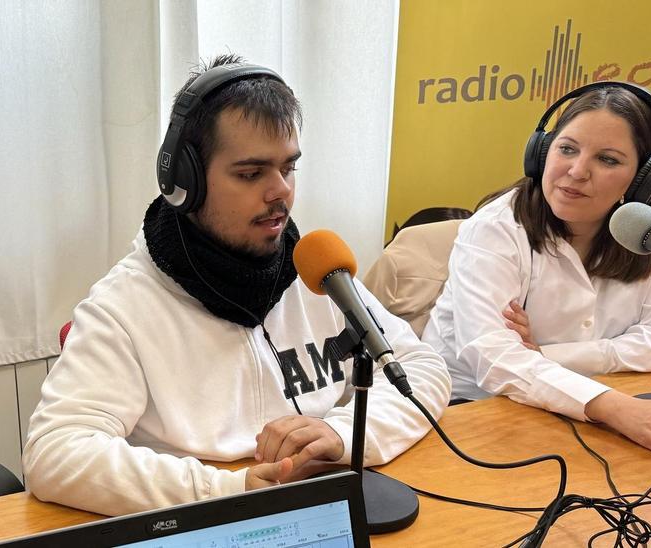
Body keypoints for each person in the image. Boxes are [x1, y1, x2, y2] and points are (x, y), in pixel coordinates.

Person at [22, 55, 451, 516]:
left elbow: (421, 368)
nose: (280, 191)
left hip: (317, 511)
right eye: (250, 174)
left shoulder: (316, 272)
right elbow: (55, 453)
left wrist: (341, 435)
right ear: (184, 182)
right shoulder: (124, 305)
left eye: (289, 168)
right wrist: (224, 490)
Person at [422, 82, 651, 456]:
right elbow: (494, 358)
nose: (577, 171)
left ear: (644, 179)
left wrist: (548, 354)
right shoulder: (495, 228)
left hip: (598, 405)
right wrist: (614, 407)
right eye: (567, 149)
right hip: (470, 412)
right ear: (541, 153)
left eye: (607, 159)